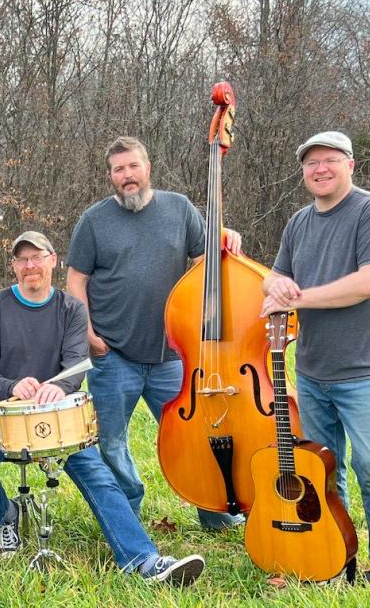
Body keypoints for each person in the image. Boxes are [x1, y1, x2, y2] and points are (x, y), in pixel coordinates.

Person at [0, 231, 205, 585]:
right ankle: (5, 515)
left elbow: (75, 364)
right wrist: (12, 386)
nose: (30, 266)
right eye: (22, 259)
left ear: (52, 260)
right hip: (1, 411)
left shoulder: (71, 309)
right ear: (13, 266)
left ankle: (145, 560)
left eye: (37, 257)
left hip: (60, 415)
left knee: (100, 477)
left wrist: (56, 387)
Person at [260, 131, 370, 593]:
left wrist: (297, 298)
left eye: (329, 160)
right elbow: (278, 276)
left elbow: (369, 282)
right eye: (311, 163)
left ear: (351, 164)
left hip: (364, 368)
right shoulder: (299, 223)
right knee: (323, 473)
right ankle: (336, 558)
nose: (320, 169)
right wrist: (275, 287)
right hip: (312, 369)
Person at [66, 136, 242, 529]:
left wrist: (224, 237)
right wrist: (90, 337)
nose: (127, 176)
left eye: (133, 166)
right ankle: (127, 512)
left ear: (147, 168)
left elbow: (204, 263)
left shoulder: (179, 209)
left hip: (173, 356)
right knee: (110, 443)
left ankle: (216, 514)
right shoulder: (94, 220)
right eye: (118, 170)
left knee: (196, 437)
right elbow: (75, 280)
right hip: (114, 356)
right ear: (110, 176)